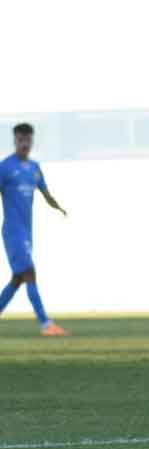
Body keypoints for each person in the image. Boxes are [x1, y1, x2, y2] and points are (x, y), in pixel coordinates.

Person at [0, 123, 69, 336]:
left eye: (28, 139)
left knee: (18, 278)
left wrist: (58, 207)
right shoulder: (5, 167)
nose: (24, 143)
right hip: (13, 231)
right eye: (21, 139)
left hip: (27, 232)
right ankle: (46, 324)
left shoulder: (34, 168)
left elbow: (45, 192)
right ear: (15, 140)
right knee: (29, 273)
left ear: (32, 141)